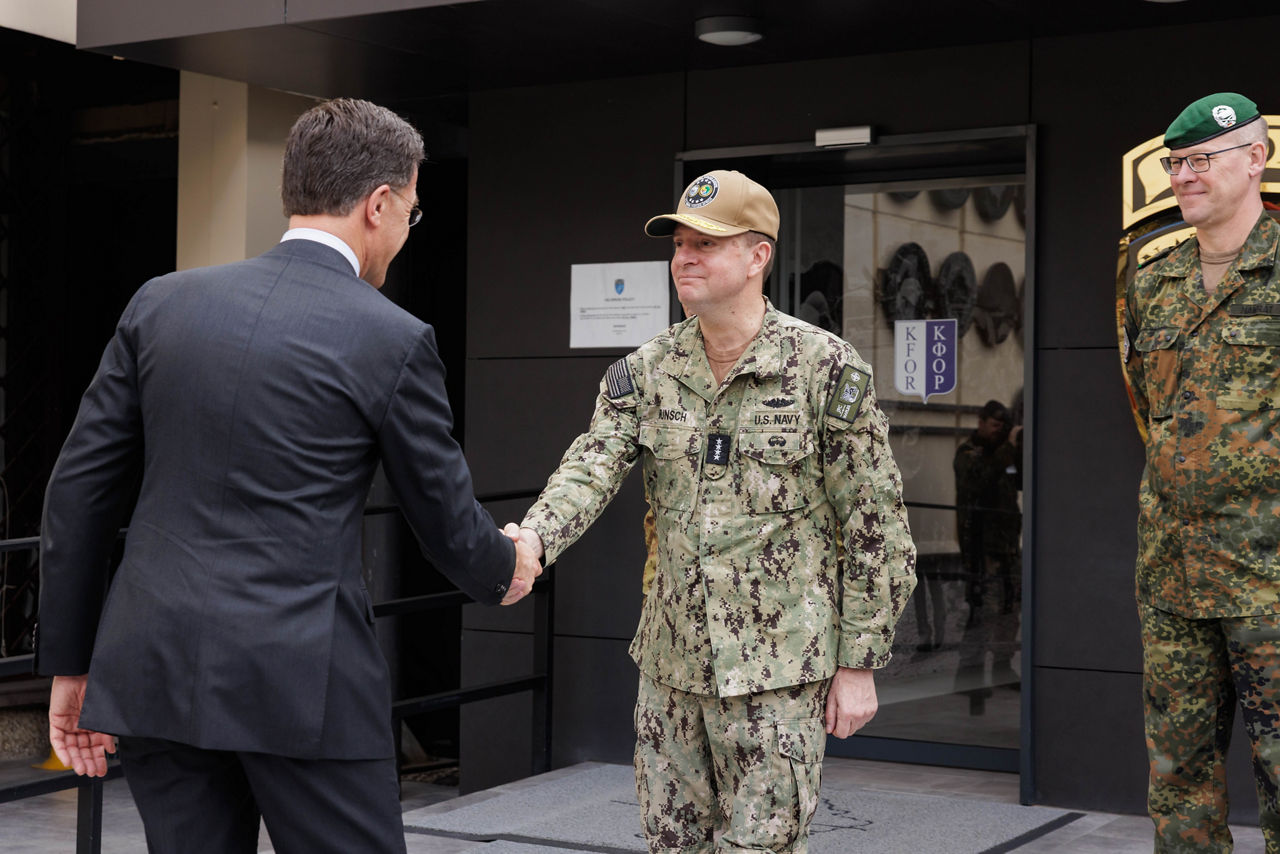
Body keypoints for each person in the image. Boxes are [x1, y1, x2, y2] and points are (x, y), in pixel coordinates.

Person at [36, 98, 541, 854]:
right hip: (305, 684)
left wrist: (72, 664)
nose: (407, 231)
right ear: (378, 205)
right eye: (411, 212)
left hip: (154, 670)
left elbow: (78, 494)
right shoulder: (393, 337)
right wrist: (507, 567)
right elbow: (442, 517)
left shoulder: (161, 304)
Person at [507, 169, 917, 852]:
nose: (684, 259)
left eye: (705, 244)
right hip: (671, 673)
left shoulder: (823, 369)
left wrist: (860, 663)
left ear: (758, 256)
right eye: (679, 245)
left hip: (779, 675)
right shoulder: (647, 371)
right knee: (671, 846)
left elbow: (876, 524)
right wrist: (533, 541)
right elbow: (590, 467)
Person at [1122, 92, 1280, 852]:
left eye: (1201, 160)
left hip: (1270, 576)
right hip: (1173, 575)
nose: (1183, 176)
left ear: (1255, 159)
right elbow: (1148, 408)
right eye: (1175, 163)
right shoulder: (1154, 278)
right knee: (1178, 780)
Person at [952, 400, 1022, 715]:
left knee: (1010, 609)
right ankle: (969, 678)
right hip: (981, 549)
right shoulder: (969, 453)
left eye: (1002, 427)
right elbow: (978, 483)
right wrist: (1007, 448)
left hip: (1007, 546)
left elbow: (1021, 480)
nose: (998, 432)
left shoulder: (1003, 454)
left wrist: (1019, 449)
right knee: (983, 613)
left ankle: (1003, 668)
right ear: (980, 422)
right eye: (994, 426)